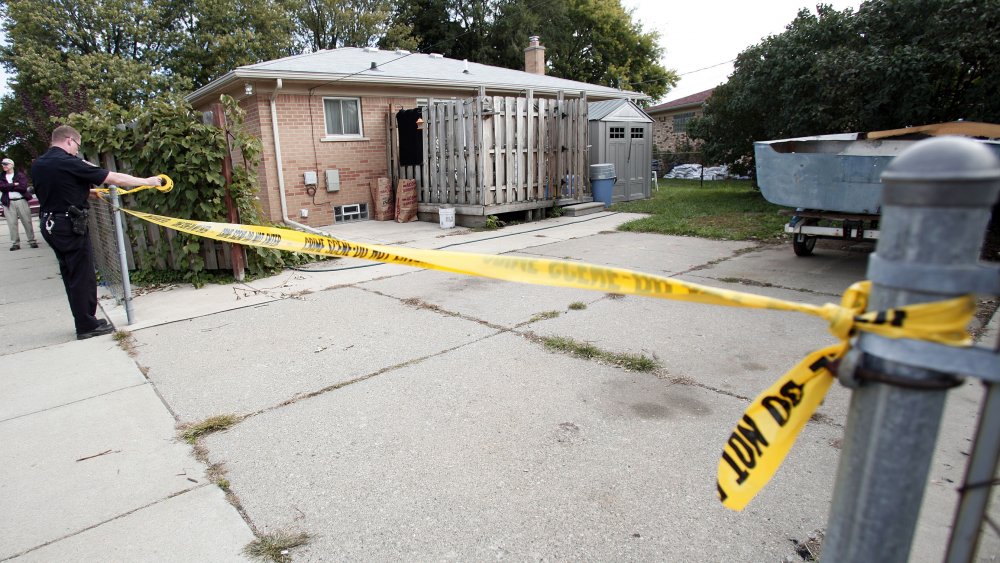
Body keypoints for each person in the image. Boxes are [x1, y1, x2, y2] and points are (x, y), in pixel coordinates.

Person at [32, 124, 163, 340]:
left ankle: (83, 319)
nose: (77, 151)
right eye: (77, 146)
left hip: (50, 225)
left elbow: (60, 190)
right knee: (82, 275)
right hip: (68, 226)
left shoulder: (40, 164)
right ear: (69, 141)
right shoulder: (67, 162)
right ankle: (87, 326)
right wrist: (148, 182)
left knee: (71, 275)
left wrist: (87, 192)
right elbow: (114, 178)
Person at [1, 157, 38, 250]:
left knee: (27, 221)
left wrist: (8, 186)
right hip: (8, 202)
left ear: (11, 165)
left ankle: (32, 241)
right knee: (11, 223)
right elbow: (2, 187)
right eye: (3, 164)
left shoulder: (20, 175)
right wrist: (14, 184)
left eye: (6, 164)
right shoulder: (1, 176)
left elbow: (23, 187)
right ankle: (15, 243)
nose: (4, 166)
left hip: (21, 200)